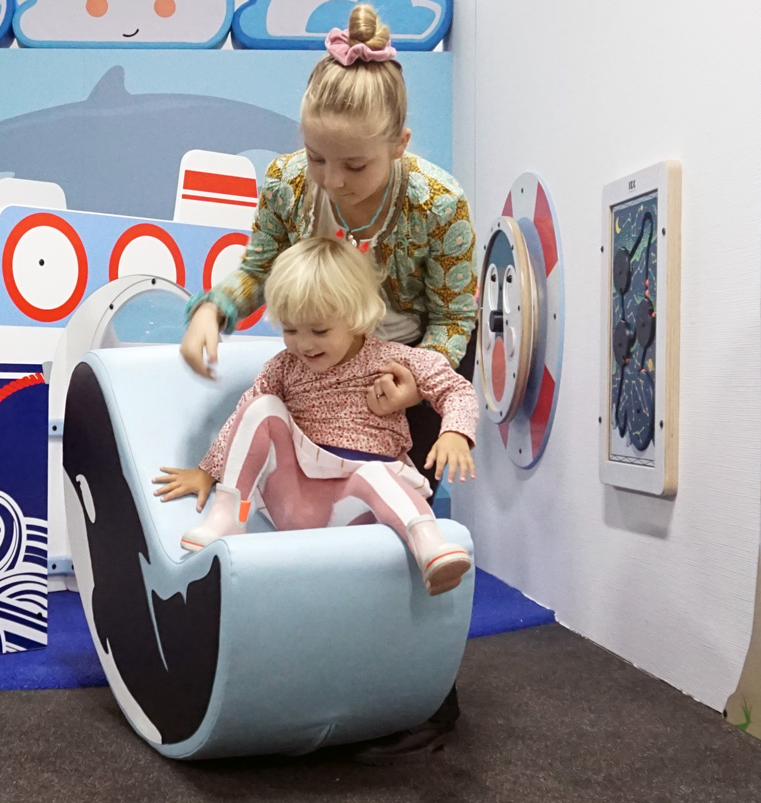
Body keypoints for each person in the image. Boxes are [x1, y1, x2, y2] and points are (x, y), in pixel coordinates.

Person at [177, 4, 478, 763]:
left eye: (356, 165)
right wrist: (214, 311)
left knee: (404, 510)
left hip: (405, 360)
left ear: (399, 146)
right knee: (318, 504)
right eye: (319, 158)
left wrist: (411, 383)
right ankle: (311, 662)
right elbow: (257, 273)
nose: (333, 181)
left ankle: (417, 684)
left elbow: (455, 316)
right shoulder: (286, 184)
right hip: (322, 356)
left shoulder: (438, 204)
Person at [155, 237, 477, 596]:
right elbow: (246, 419)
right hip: (296, 499)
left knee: (374, 474)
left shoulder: (392, 359)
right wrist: (207, 471)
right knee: (261, 405)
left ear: (356, 318)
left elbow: (456, 388)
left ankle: (428, 545)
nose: (304, 344)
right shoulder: (283, 367)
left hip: (358, 503)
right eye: (290, 330)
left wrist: (455, 434)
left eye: (319, 330)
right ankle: (229, 516)